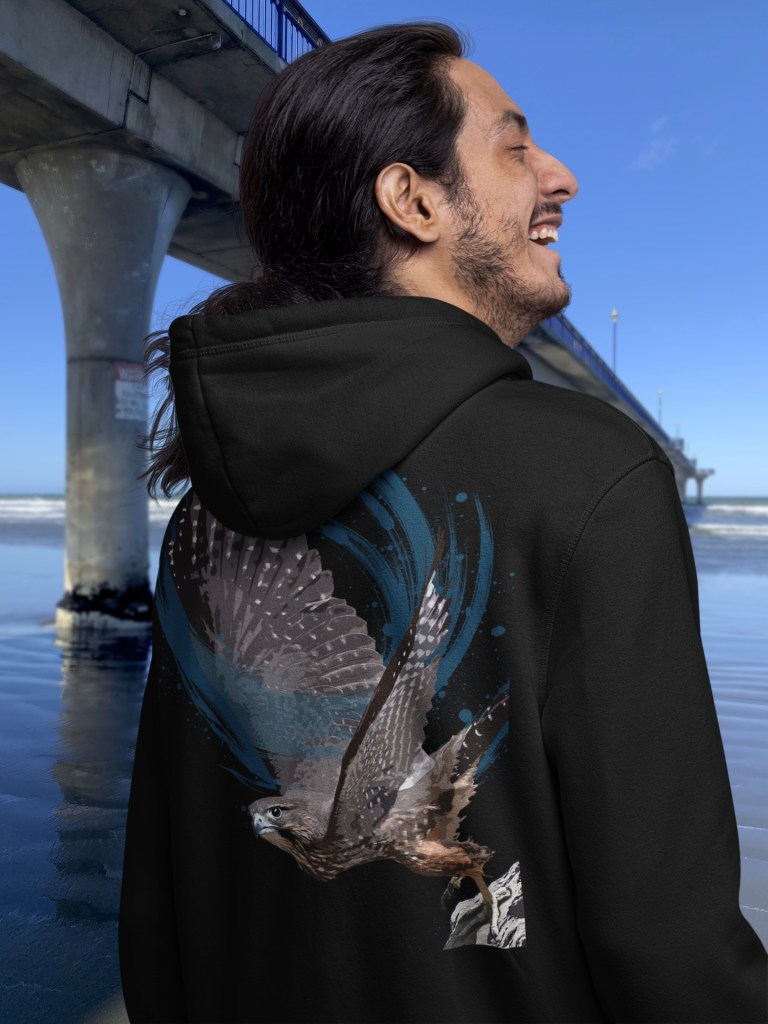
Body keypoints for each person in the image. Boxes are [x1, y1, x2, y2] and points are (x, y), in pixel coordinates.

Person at [119, 21, 767, 1024]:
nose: (562, 177)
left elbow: (162, 897)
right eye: (516, 148)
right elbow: (666, 938)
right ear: (412, 199)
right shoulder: (589, 469)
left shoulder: (206, 514)